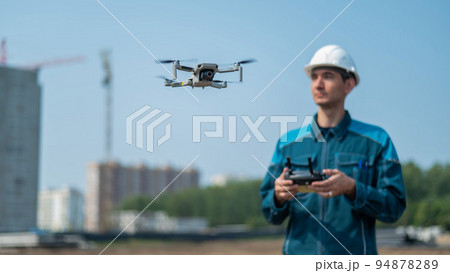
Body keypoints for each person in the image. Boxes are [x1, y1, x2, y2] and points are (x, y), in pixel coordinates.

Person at [260, 45, 406, 255]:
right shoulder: (288, 143)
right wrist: (278, 197)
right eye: (314, 77)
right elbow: (270, 213)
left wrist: (353, 188)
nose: (318, 84)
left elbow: (394, 208)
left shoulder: (377, 141)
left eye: (327, 76)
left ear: (349, 84)